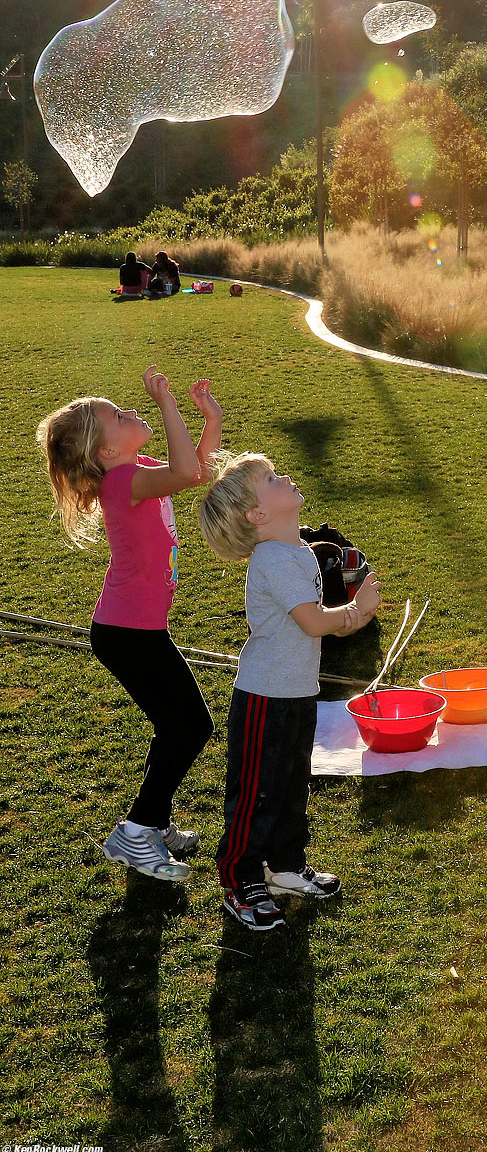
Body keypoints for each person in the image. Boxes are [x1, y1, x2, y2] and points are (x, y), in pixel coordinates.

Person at [36, 366, 222, 881]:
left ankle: (152, 823)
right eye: (119, 416)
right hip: (126, 634)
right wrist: (166, 404)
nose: (130, 411)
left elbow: (196, 469)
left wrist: (210, 420)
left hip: (138, 632)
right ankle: (136, 833)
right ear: (105, 452)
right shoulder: (122, 482)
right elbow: (186, 473)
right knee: (190, 726)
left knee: (179, 725)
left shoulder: (132, 469)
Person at [198, 451, 382, 931]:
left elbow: (315, 620)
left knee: (292, 782)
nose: (288, 478)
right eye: (273, 479)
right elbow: (312, 621)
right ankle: (239, 880)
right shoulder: (274, 558)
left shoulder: (297, 549)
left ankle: (284, 866)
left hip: (298, 693)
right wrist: (358, 611)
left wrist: (354, 607)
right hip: (265, 698)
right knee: (257, 791)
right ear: (258, 515)